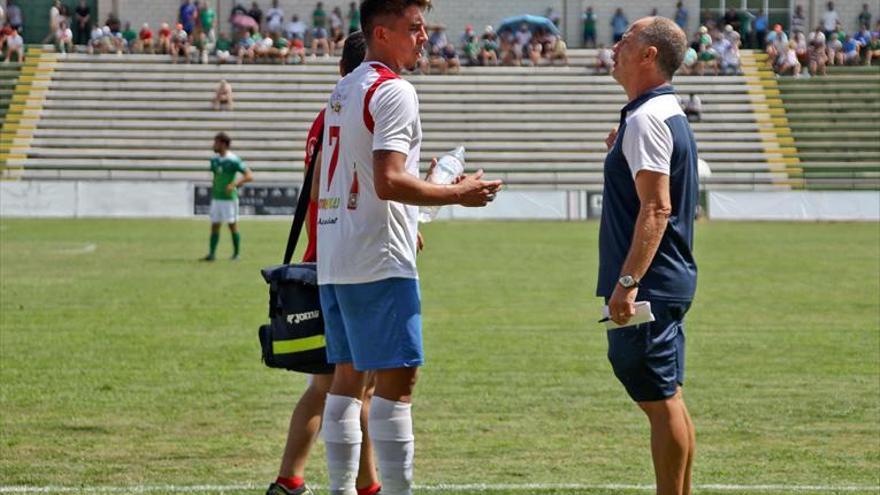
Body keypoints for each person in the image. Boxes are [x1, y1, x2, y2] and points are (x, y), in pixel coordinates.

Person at [316, 2, 502, 495]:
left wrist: (424, 197)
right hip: (379, 258)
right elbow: (390, 180)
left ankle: (340, 490)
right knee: (397, 390)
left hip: (337, 256)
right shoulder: (394, 89)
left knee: (346, 381)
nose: (425, 38)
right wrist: (457, 195)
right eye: (415, 28)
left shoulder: (345, 86)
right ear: (382, 32)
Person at [264, 32, 382, 495]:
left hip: (323, 256)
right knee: (362, 388)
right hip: (353, 262)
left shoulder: (324, 119)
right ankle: (367, 486)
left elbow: (317, 191)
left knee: (328, 385)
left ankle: (290, 480)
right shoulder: (353, 113)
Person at [600, 16, 698, 495]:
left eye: (627, 38)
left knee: (659, 401)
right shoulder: (656, 113)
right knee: (669, 398)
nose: (616, 45)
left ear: (649, 55)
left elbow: (657, 207)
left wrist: (626, 282)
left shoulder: (646, 118)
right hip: (666, 279)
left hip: (649, 286)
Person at [203, 132, 253, 261]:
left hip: (229, 199)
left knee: (232, 225)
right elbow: (215, 177)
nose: (214, 145)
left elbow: (249, 176)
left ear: (223, 144)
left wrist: (234, 184)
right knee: (215, 225)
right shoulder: (214, 160)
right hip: (217, 198)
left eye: (216, 142)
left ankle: (236, 254)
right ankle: (212, 254)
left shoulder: (233, 160)